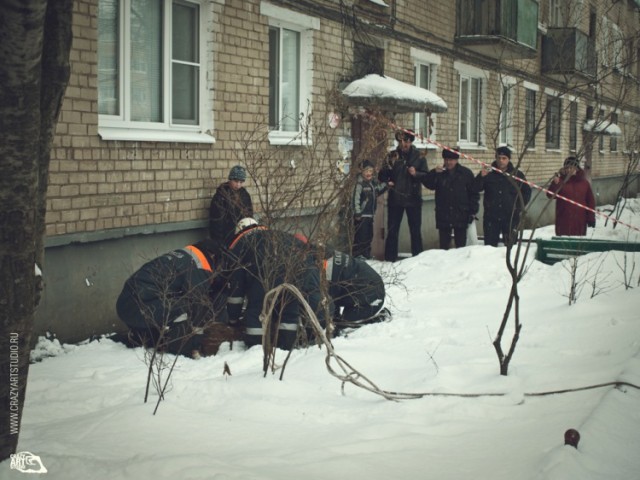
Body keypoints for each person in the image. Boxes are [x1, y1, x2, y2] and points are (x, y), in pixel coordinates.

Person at [225, 218, 330, 350]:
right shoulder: (279, 235)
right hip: (296, 273)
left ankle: (257, 351)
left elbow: (236, 288)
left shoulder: (240, 245)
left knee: (257, 310)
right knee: (289, 311)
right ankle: (286, 348)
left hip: (266, 275)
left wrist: (233, 319)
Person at [115, 239, 227, 357]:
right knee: (186, 307)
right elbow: (197, 304)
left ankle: (139, 336)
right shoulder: (200, 266)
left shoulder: (185, 255)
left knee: (152, 340)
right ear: (212, 255)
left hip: (127, 304)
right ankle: (180, 350)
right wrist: (197, 341)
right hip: (141, 307)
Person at [378, 129, 429, 261]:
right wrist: (387, 182)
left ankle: (418, 259)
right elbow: (382, 174)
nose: (404, 144)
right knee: (392, 231)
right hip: (396, 199)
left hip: (413, 198)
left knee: (415, 231)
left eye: (407, 141)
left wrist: (416, 173)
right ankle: (390, 260)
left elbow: (426, 176)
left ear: (411, 142)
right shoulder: (392, 156)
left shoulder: (419, 156)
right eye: (401, 141)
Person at [474, 146, 531, 247]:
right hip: (491, 217)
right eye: (499, 158)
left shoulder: (517, 174)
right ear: (495, 158)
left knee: (510, 247)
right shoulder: (488, 172)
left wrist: (517, 207)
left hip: (510, 218)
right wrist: (481, 176)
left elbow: (527, 192)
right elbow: (476, 188)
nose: (501, 161)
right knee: (489, 248)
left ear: (508, 159)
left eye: (504, 158)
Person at [423, 148, 480, 249]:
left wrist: (473, 211)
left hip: (461, 213)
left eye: (451, 160)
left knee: (461, 246)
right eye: (446, 160)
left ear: (456, 160)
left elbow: (474, 193)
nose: (448, 162)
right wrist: (433, 173)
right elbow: (428, 184)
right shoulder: (439, 173)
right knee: (444, 246)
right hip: (444, 214)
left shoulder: (466, 173)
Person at [323, 250, 388, 330]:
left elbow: (331, 299)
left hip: (372, 300)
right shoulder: (329, 255)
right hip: (371, 289)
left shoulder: (329, 270)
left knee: (343, 322)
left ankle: (376, 319)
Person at [208, 165, 253, 256]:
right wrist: (219, 241)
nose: (238, 185)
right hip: (225, 236)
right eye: (236, 181)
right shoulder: (221, 196)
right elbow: (216, 220)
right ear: (230, 179)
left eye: (241, 182)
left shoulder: (244, 195)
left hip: (241, 236)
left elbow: (249, 215)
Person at [547, 156, 596, 236]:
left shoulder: (584, 183)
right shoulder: (560, 181)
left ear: (577, 169)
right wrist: (555, 184)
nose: (569, 170)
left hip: (580, 221)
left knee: (578, 246)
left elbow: (590, 201)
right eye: (567, 168)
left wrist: (591, 218)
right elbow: (550, 195)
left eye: (572, 168)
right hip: (563, 221)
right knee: (563, 244)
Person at [352, 160, 387, 258]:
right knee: (361, 237)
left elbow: (378, 190)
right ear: (362, 172)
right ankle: (358, 256)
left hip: (370, 215)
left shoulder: (372, 184)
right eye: (366, 171)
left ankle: (367, 255)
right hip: (362, 216)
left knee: (369, 236)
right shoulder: (360, 184)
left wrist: (386, 184)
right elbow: (355, 199)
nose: (368, 173)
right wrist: (357, 213)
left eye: (370, 171)